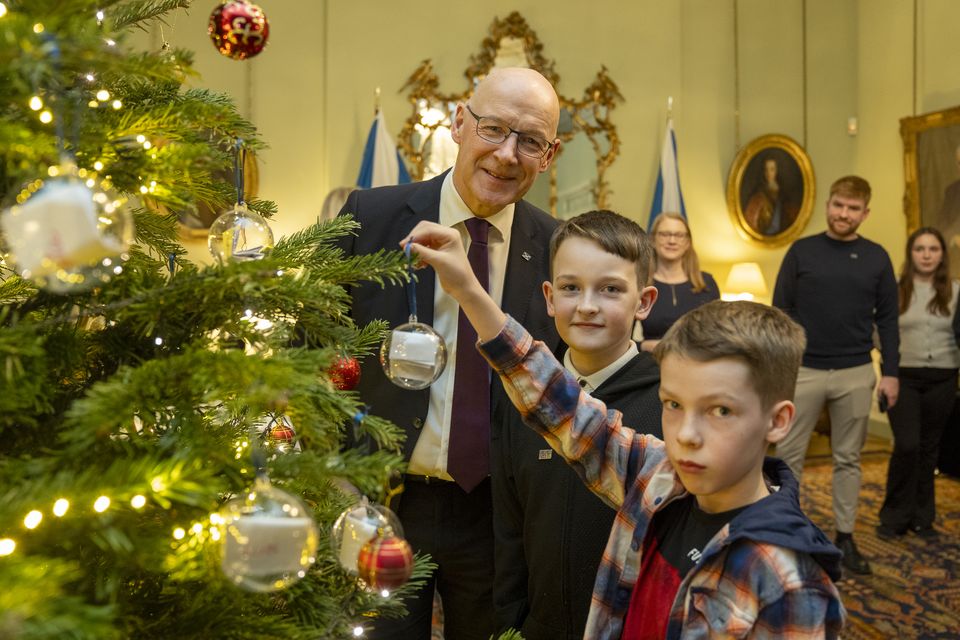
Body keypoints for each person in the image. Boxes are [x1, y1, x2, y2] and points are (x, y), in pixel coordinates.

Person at [404, 221, 845, 639]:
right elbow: (555, 400)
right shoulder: (656, 478)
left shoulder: (789, 580)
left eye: (721, 411)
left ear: (778, 421)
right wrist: (466, 288)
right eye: (673, 405)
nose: (687, 434)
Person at [336, 67, 562, 640]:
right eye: (493, 129)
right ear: (460, 124)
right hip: (383, 499)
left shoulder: (560, 248)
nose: (507, 155)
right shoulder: (369, 218)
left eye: (529, 141)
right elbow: (309, 351)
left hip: (498, 516)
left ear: (549, 155)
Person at [493, 210, 662, 639]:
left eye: (610, 289)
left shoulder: (668, 404)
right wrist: (514, 623)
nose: (587, 306)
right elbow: (510, 528)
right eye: (571, 288)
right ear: (549, 297)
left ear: (643, 301)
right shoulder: (521, 397)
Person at [773, 175, 900, 577]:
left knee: (849, 459)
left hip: (856, 370)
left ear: (865, 213)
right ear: (828, 205)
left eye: (852, 208)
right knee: (788, 457)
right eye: (838, 205)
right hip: (804, 370)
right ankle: (787, 535)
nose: (843, 214)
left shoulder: (877, 258)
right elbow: (781, 310)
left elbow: (889, 321)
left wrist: (891, 373)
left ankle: (845, 536)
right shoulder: (801, 252)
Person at [878, 227, 960, 540]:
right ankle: (894, 516)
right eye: (920, 249)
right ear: (911, 253)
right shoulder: (895, 290)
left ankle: (923, 518)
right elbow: (879, 331)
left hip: (944, 375)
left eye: (933, 249)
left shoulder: (955, 290)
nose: (926, 255)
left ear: (942, 255)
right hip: (904, 378)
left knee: (929, 448)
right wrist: (887, 372)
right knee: (907, 444)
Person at [639, 212, 719, 352]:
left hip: (698, 364)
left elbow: (719, 334)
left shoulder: (707, 283)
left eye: (679, 235)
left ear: (688, 242)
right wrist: (644, 346)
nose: (672, 241)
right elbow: (620, 340)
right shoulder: (641, 283)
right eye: (664, 234)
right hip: (652, 365)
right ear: (652, 239)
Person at [743, 156, 800, 236]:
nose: (769, 173)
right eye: (766, 170)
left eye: (772, 169)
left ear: (777, 171)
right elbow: (751, 221)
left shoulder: (783, 192)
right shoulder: (758, 194)